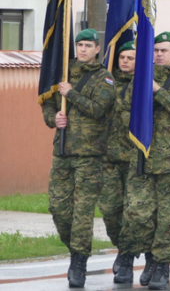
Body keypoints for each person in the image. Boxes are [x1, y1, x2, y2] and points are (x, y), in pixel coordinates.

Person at [116, 32, 170, 289]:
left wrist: (157, 90)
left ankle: (161, 264)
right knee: (137, 213)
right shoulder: (139, 79)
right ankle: (145, 255)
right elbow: (124, 112)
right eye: (155, 50)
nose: (159, 54)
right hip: (142, 157)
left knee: (167, 218)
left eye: (164, 50)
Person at [42, 28, 115, 288]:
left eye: (88, 45)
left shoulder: (104, 78)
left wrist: (71, 93)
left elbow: (98, 109)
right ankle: (76, 249)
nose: (82, 49)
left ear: (98, 49)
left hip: (90, 156)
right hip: (62, 152)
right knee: (59, 209)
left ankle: (79, 261)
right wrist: (54, 118)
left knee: (82, 212)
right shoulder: (63, 70)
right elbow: (47, 102)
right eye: (79, 45)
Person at [100, 41, 135, 274]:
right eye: (121, 57)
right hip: (110, 159)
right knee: (110, 211)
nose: (124, 61)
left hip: (135, 160)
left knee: (134, 213)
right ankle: (123, 246)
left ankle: (127, 256)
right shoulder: (108, 82)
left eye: (130, 58)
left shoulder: (144, 85)